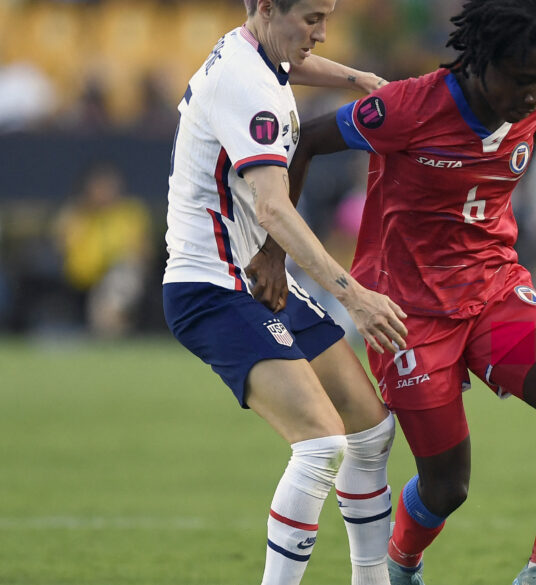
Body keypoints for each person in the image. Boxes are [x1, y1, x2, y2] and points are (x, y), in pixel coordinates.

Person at [271, 1, 536, 583]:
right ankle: (401, 564)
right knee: (448, 487)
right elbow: (304, 143)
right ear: (481, 65)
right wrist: (276, 246)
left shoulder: (532, 92)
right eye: (522, 81)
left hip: (494, 285)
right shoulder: (407, 107)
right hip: (408, 312)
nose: (535, 94)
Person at [161, 2, 408, 584]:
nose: (320, 33)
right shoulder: (247, 85)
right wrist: (354, 297)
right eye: (312, 19)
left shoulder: (254, 49)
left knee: (369, 429)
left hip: (253, 277)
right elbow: (272, 206)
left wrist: (356, 79)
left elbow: (290, 65)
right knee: (322, 445)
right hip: (212, 286)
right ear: (269, 9)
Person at [55, 161, 153, 338]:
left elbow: (141, 253)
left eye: (110, 187)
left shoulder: (130, 212)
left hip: (119, 278)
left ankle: (111, 329)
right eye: (100, 187)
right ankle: (110, 332)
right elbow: (64, 245)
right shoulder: (77, 213)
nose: (105, 192)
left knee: (122, 277)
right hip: (84, 278)